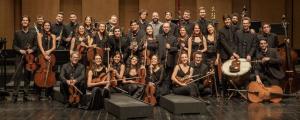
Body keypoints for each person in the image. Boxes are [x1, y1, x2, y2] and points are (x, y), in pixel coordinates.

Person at [12, 15, 38, 102]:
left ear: (29, 22)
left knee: (27, 76)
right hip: (19, 57)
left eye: (26, 20)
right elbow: (14, 46)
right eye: (23, 20)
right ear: (21, 22)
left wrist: (31, 50)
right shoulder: (17, 32)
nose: (25, 22)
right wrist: (20, 50)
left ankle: (25, 95)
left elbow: (35, 46)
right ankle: (15, 95)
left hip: (29, 58)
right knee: (17, 76)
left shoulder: (33, 33)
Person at [35, 20, 57, 100]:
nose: (47, 27)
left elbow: (54, 46)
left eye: (48, 25)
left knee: (50, 73)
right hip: (41, 55)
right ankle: (38, 93)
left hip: (50, 55)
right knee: (40, 73)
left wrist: (49, 51)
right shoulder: (39, 35)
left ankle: (49, 93)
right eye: (45, 25)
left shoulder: (53, 36)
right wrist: (44, 54)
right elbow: (40, 46)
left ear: (50, 27)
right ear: (43, 26)